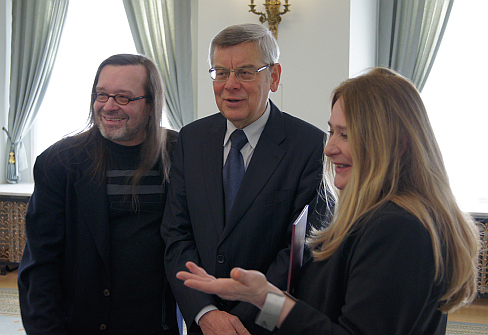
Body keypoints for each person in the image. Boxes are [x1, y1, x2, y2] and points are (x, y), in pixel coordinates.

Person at [177, 68, 481, 334]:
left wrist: (269, 301)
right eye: (331, 131)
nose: (329, 148)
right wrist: (262, 298)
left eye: (346, 135)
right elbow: (311, 314)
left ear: (396, 145)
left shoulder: (397, 228)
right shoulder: (369, 216)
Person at [161, 23, 326, 334]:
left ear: (274, 77)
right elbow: (176, 235)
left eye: (245, 72)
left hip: (269, 324)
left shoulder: (310, 146)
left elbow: (301, 253)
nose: (230, 85)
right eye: (220, 72)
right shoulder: (191, 139)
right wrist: (205, 313)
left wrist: (247, 323)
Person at [18, 54, 179, 334]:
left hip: (158, 325)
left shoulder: (179, 155)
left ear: (152, 104)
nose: (108, 106)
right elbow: (40, 265)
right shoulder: (60, 162)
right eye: (101, 95)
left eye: (123, 98)